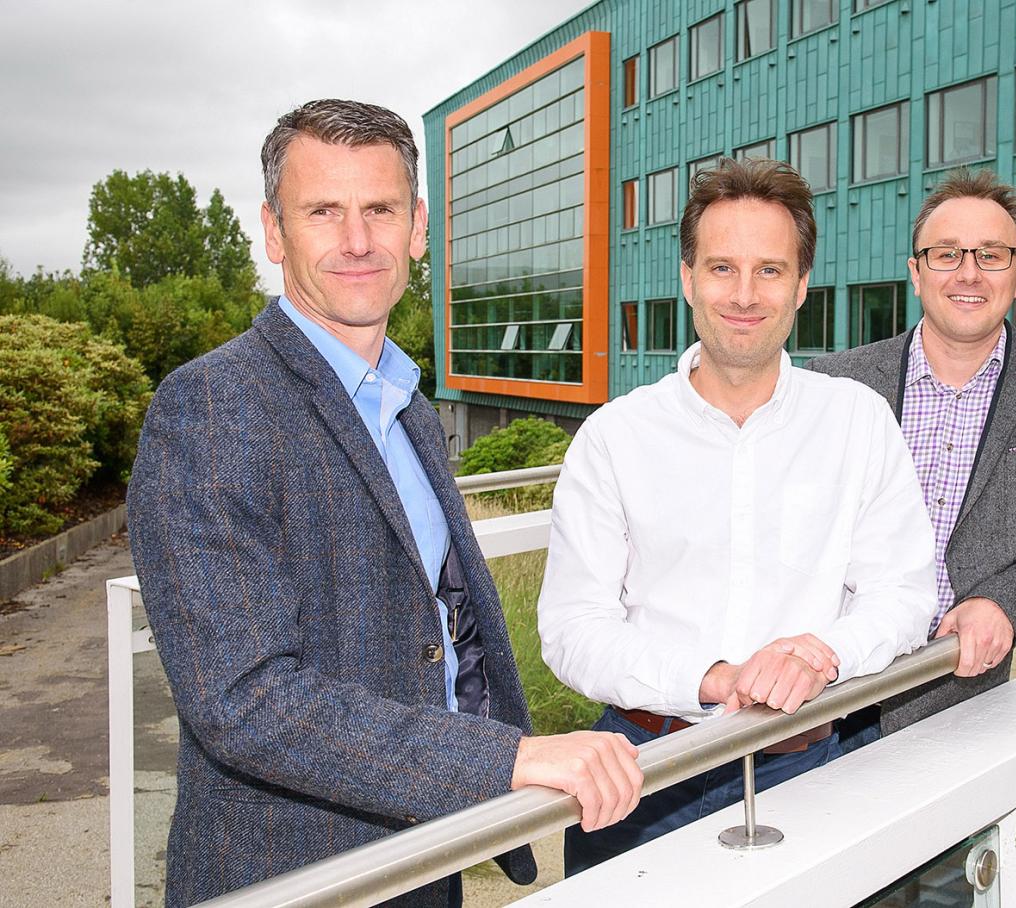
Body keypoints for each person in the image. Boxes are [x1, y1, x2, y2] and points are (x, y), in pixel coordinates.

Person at [126, 99, 642, 908]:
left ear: (418, 227)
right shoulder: (212, 406)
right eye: (323, 211)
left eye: (380, 209)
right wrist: (503, 759)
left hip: (426, 857)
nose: (358, 240)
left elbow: (444, 635)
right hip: (292, 874)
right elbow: (244, 698)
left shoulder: (407, 406)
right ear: (273, 231)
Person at [537, 157, 938, 876]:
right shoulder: (615, 436)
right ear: (687, 278)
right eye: (722, 268)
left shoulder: (857, 421)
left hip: (809, 767)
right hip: (641, 776)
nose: (745, 295)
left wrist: (825, 653)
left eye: (770, 270)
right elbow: (571, 629)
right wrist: (713, 677)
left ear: (802, 285)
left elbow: (906, 595)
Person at [808, 168, 1016, 744]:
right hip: (827, 692)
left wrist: (1004, 600)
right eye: (946, 254)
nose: (969, 273)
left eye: (991, 255)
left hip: (960, 692)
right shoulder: (836, 383)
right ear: (915, 274)